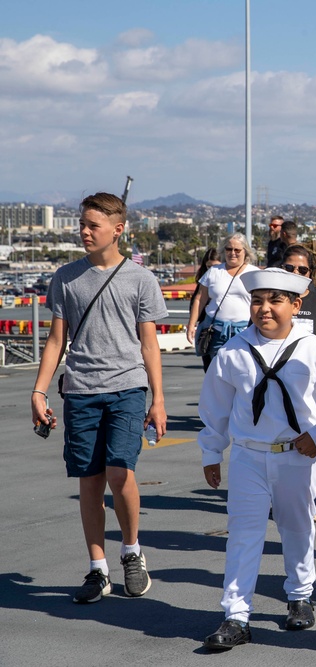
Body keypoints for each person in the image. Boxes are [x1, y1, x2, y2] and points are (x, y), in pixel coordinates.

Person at [30, 192, 168, 604]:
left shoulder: (141, 279)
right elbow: (57, 340)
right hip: (81, 391)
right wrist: (38, 390)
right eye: (82, 225)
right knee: (88, 480)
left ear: (118, 229)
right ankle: (97, 568)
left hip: (127, 388)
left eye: (93, 225)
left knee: (119, 471)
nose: (84, 232)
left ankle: (131, 550)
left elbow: (149, 346)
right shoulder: (66, 276)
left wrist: (157, 399)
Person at [199, 268, 316, 650]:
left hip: (296, 455)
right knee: (243, 536)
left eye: (275, 300)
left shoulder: (315, 349)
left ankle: (299, 596)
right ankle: (236, 615)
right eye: (257, 301)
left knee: (297, 529)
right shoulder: (233, 352)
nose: (265, 309)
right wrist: (212, 451)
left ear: (296, 305)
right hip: (248, 455)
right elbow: (215, 406)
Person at [187, 233, 259, 371]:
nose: (232, 253)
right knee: (216, 373)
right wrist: (191, 324)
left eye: (237, 250)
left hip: (245, 332)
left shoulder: (254, 273)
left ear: (246, 252)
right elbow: (200, 298)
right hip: (216, 332)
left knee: (243, 372)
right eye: (228, 249)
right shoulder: (214, 272)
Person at [191, 248, 221, 324]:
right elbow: (196, 303)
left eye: (216, 266)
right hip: (207, 323)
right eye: (209, 266)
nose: (212, 270)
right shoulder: (203, 282)